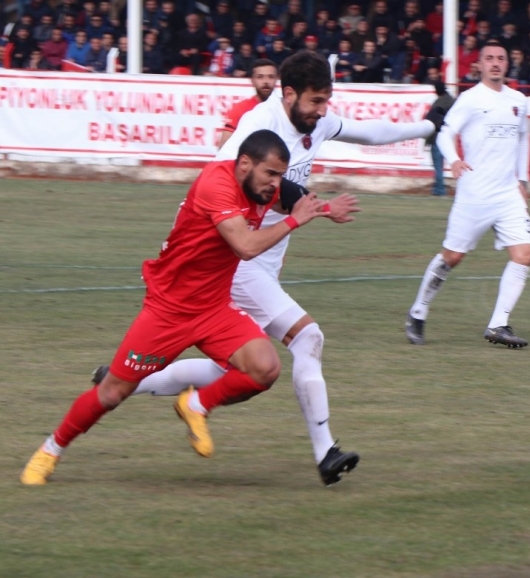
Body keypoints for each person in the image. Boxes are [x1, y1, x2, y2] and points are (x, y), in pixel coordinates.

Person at [102, 51, 441, 484]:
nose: (322, 111)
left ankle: (128, 379)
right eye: (316, 101)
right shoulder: (256, 129)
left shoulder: (315, 121)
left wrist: (429, 126)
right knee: (308, 338)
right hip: (239, 263)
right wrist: (299, 200)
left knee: (231, 367)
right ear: (289, 94)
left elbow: (371, 133)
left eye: (327, 101)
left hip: (264, 263)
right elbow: (214, 181)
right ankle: (325, 453)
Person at [20, 129, 359, 486]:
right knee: (112, 393)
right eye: (270, 175)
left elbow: (297, 198)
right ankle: (50, 449)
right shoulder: (217, 184)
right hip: (168, 310)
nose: (276, 185)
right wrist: (295, 219)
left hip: (214, 308)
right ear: (244, 164)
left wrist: (325, 209)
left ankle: (195, 405)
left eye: (279, 176)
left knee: (265, 368)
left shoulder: (264, 186)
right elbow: (244, 246)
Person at [405, 40, 530, 348]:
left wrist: (524, 181)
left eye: (501, 58)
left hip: (507, 194)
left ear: (508, 62)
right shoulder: (470, 99)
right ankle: (418, 311)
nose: (495, 63)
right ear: (479, 64)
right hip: (474, 194)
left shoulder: (519, 100)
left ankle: (498, 324)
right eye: (489, 58)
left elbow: (524, 137)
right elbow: (446, 133)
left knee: (524, 255)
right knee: (453, 256)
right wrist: (454, 160)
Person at [220, 59, 278, 148]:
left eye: (271, 77)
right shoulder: (240, 109)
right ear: (252, 80)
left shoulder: (284, 109)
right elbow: (224, 145)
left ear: (276, 79)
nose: (266, 81)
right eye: (260, 77)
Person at [427, 81, 455, 197]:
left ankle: (439, 189)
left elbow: (430, 120)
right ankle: (439, 187)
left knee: (438, 165)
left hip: (436, 136)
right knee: (441, 165)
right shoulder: (452, 101)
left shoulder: (438, 104)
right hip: (448, 136)